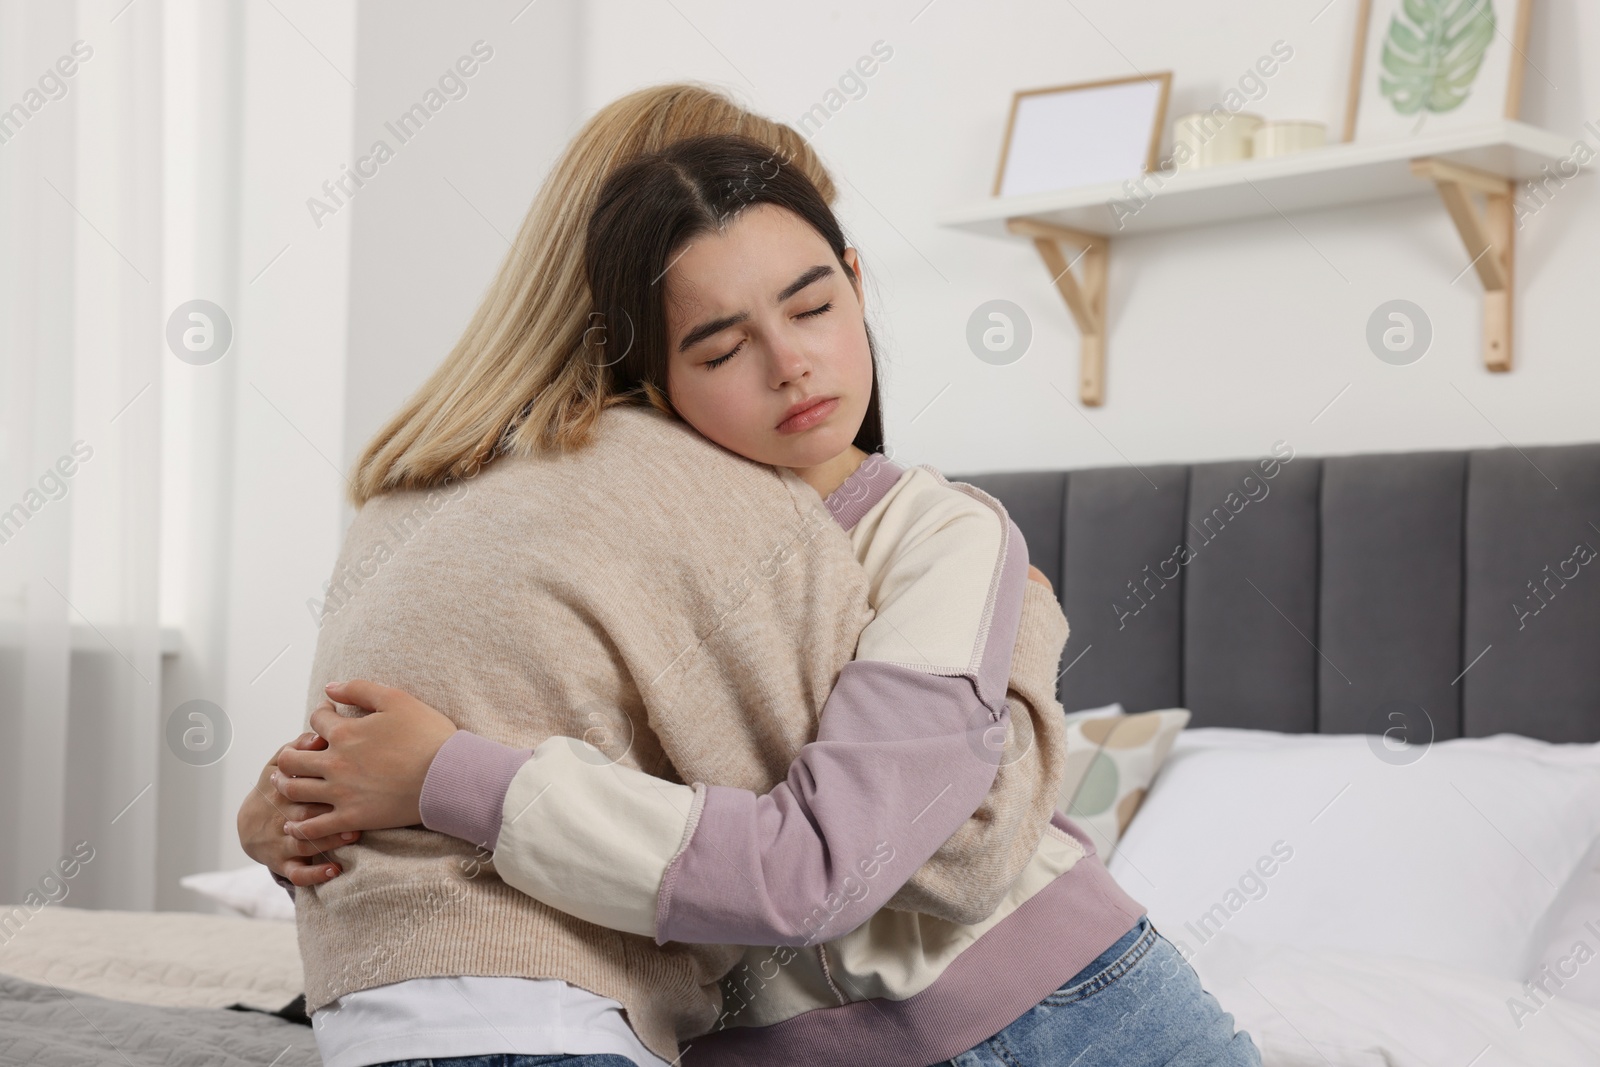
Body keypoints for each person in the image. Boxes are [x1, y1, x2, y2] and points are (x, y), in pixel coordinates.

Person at [246, 119, 1263, 1066]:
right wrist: (286, 808)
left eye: (815, 306)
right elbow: (537, 700)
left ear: (857, 284)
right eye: (721, 348)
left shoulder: (940, 532)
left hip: (1066, 1016)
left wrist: (450, 778)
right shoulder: (627, 529)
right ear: (652, 381)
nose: (791, 366)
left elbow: (837, 865)